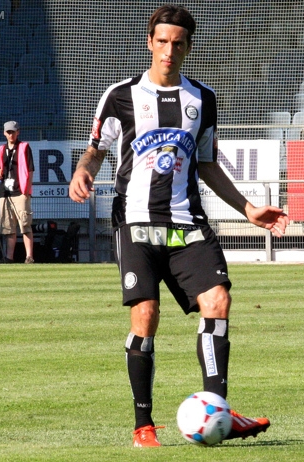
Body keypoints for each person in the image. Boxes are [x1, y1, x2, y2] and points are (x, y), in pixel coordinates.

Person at [69, 4, 289, 447]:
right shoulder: (120, 95)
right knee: (146, 316)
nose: (170, 50)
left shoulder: (202, 99)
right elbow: (96, 148)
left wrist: (248, 209)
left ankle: (219, 413)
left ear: (189, 46)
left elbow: (206, 163)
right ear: (149, 42)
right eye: (162, 41)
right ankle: (143, 426)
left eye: (179, 42)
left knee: (218, 301)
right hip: (135, 222)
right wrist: (84, 169)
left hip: (187, 222)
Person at [0, 120, 36, 264]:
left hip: (20, 192)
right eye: (8, 132)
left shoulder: (24, 147)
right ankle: (9, 257)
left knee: (25, 225)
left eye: (13, 132)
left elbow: (30, 170)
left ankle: (29, 256)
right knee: (8, 228)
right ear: (4, 133)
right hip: (5, 193)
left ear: (18, 132)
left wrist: (26, 191)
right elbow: (0, 170)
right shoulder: (1, 149)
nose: (11, 134)